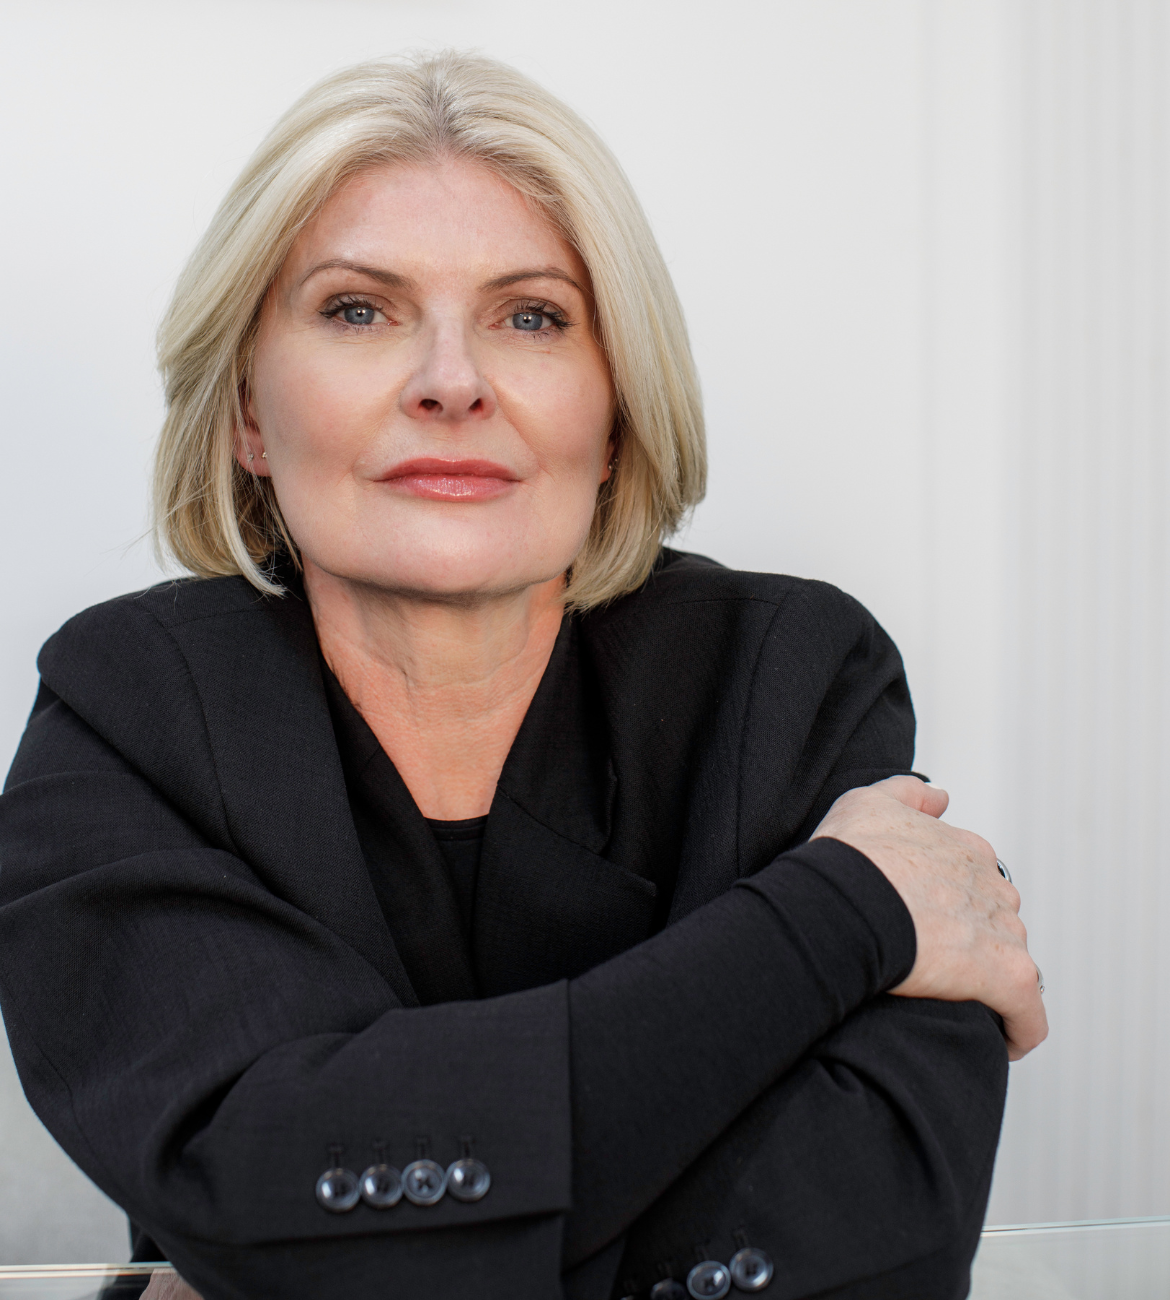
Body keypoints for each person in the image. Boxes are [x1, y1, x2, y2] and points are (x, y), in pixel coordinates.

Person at [0, 52, 1045, 1300]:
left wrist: (291, 1256)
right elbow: (251, 1179)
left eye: (532, 316)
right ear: (247, 414)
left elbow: (873, 1247)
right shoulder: (129, 710)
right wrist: (837, 921)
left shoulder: (791, 684)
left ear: (614, 412)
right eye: (358, 310)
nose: (451, 382)